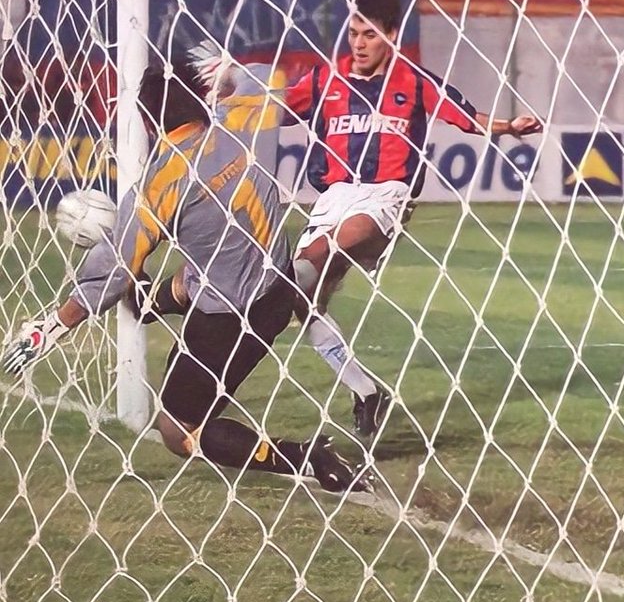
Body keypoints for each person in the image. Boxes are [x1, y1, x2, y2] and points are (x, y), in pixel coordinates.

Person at [2, 60, 372, 494]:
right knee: (188, 273)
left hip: (227, 321)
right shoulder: (238, 123)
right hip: (278, 286)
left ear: (145, 119)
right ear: (201, 99)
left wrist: (51, 327)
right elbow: (264, 77)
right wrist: (227, 69)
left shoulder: (161, 182)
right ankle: (157, 300)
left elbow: (114, 270)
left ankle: (309, 457)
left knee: (179, 430)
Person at [283, 0, 542, 439]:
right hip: (333, 196)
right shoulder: (326, 80)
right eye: (354, 34)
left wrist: (509, 126)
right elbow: (277, 108)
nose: (358, 44)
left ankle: (270, 296)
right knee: (305, 297)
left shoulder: (414, 81)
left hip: (387, 195)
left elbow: (466, 116)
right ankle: (365, 390)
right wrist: (225, 101)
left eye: (369, 35)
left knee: (330, 248)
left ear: (391, 36)